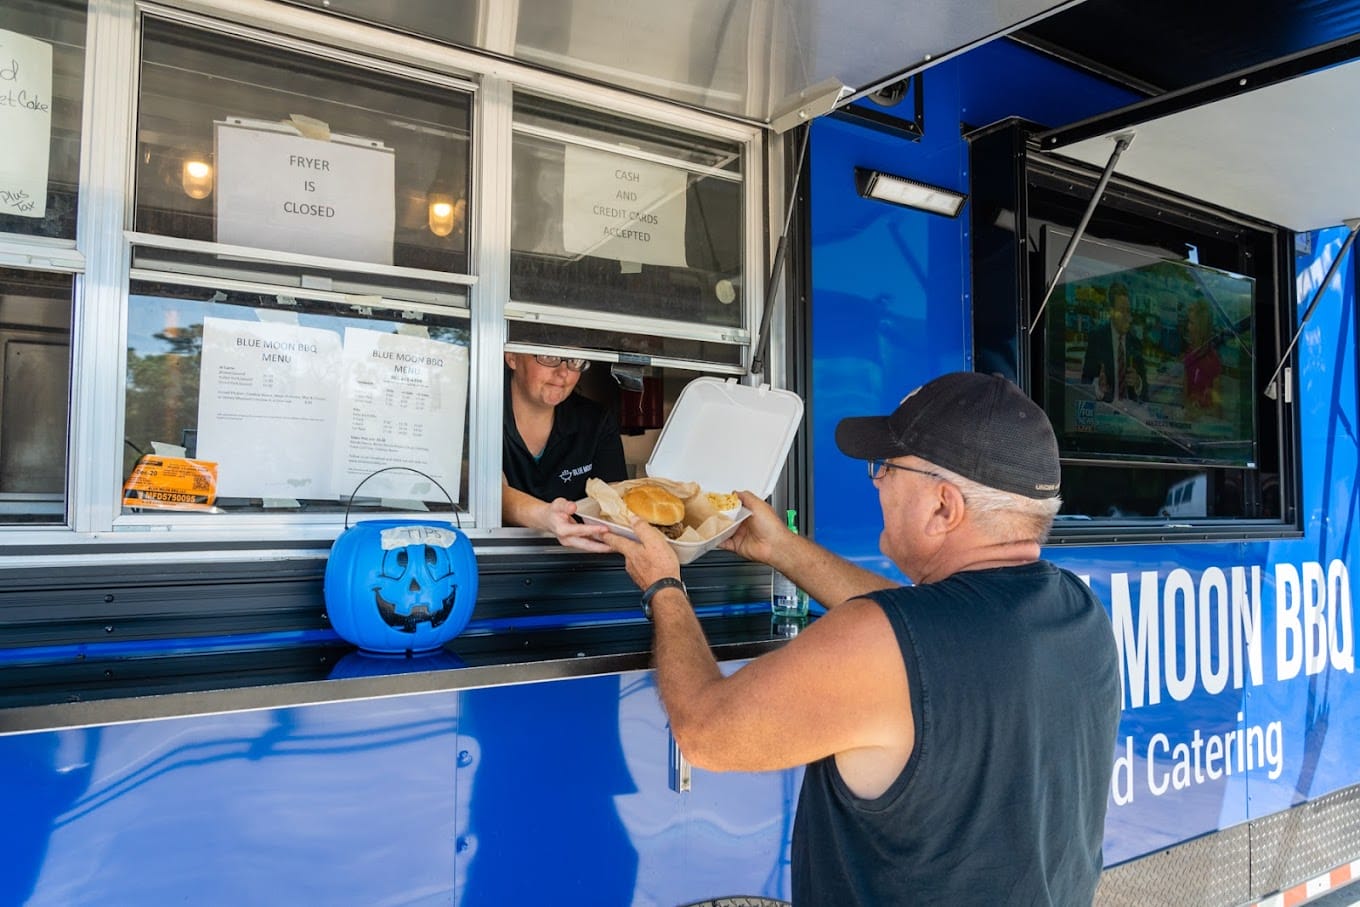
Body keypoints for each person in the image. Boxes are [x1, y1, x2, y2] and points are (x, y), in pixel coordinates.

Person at [602, 371, 1120, 905]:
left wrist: (664, 584)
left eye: (887, 468)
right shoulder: (1079, 616)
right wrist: (782, 548)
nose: (876, 482)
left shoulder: (889, 641)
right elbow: (918, 628)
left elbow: (705, 733)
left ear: (944, 507)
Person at [502, 352, 627, 552]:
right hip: (496, 560)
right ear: (512, 357)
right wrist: (546, 516)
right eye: (549, 357)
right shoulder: (482, 411)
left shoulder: (595, 421)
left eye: (574, 360)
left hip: (579, 561)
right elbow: (489, 491)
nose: (563, 373)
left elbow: (613, 497)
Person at [1081, 282, 1147, 402]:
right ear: (1111, 312)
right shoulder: (1097, 338)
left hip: (1130, 414)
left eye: (1128, 311)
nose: (1127, 316)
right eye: (1122, 311)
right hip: (1105, 411)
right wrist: (1098, 387)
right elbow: (1085, 381)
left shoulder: (1135, 343)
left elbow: (1145, 392)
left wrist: (1138, 382)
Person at [1182, 297, 1223, 413]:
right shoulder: (1190, 354)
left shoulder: (1213, 360)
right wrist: (1189, 408)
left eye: (1191, 323)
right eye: (1188, 322)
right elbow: (1185, 396)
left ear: (1201, 327)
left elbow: (1218, 407)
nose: (1188, 327)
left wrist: (1200, 413)